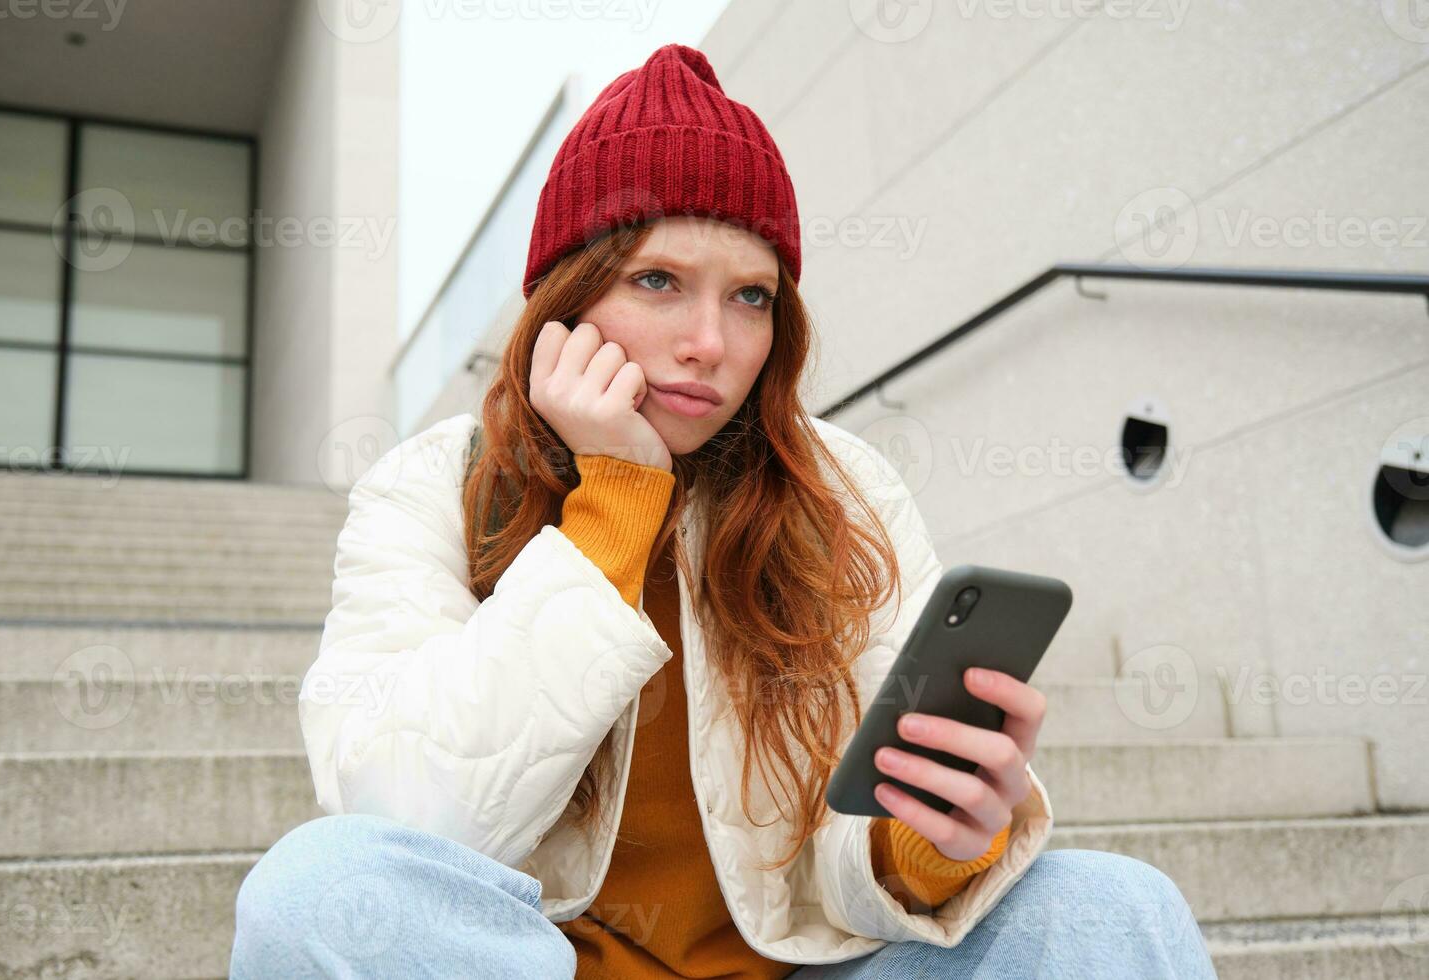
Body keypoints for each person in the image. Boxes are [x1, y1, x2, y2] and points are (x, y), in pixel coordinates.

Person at [230, 43, 1216, 980]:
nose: (712, 341)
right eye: (658, 280)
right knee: (314, 891)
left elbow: (842, 858)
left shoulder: (845, 489)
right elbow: (410, 815)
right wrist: (614, 502)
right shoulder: (429, 485)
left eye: (750, 296)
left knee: (1113, 905)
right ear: (563, 298)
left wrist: (921, 844)